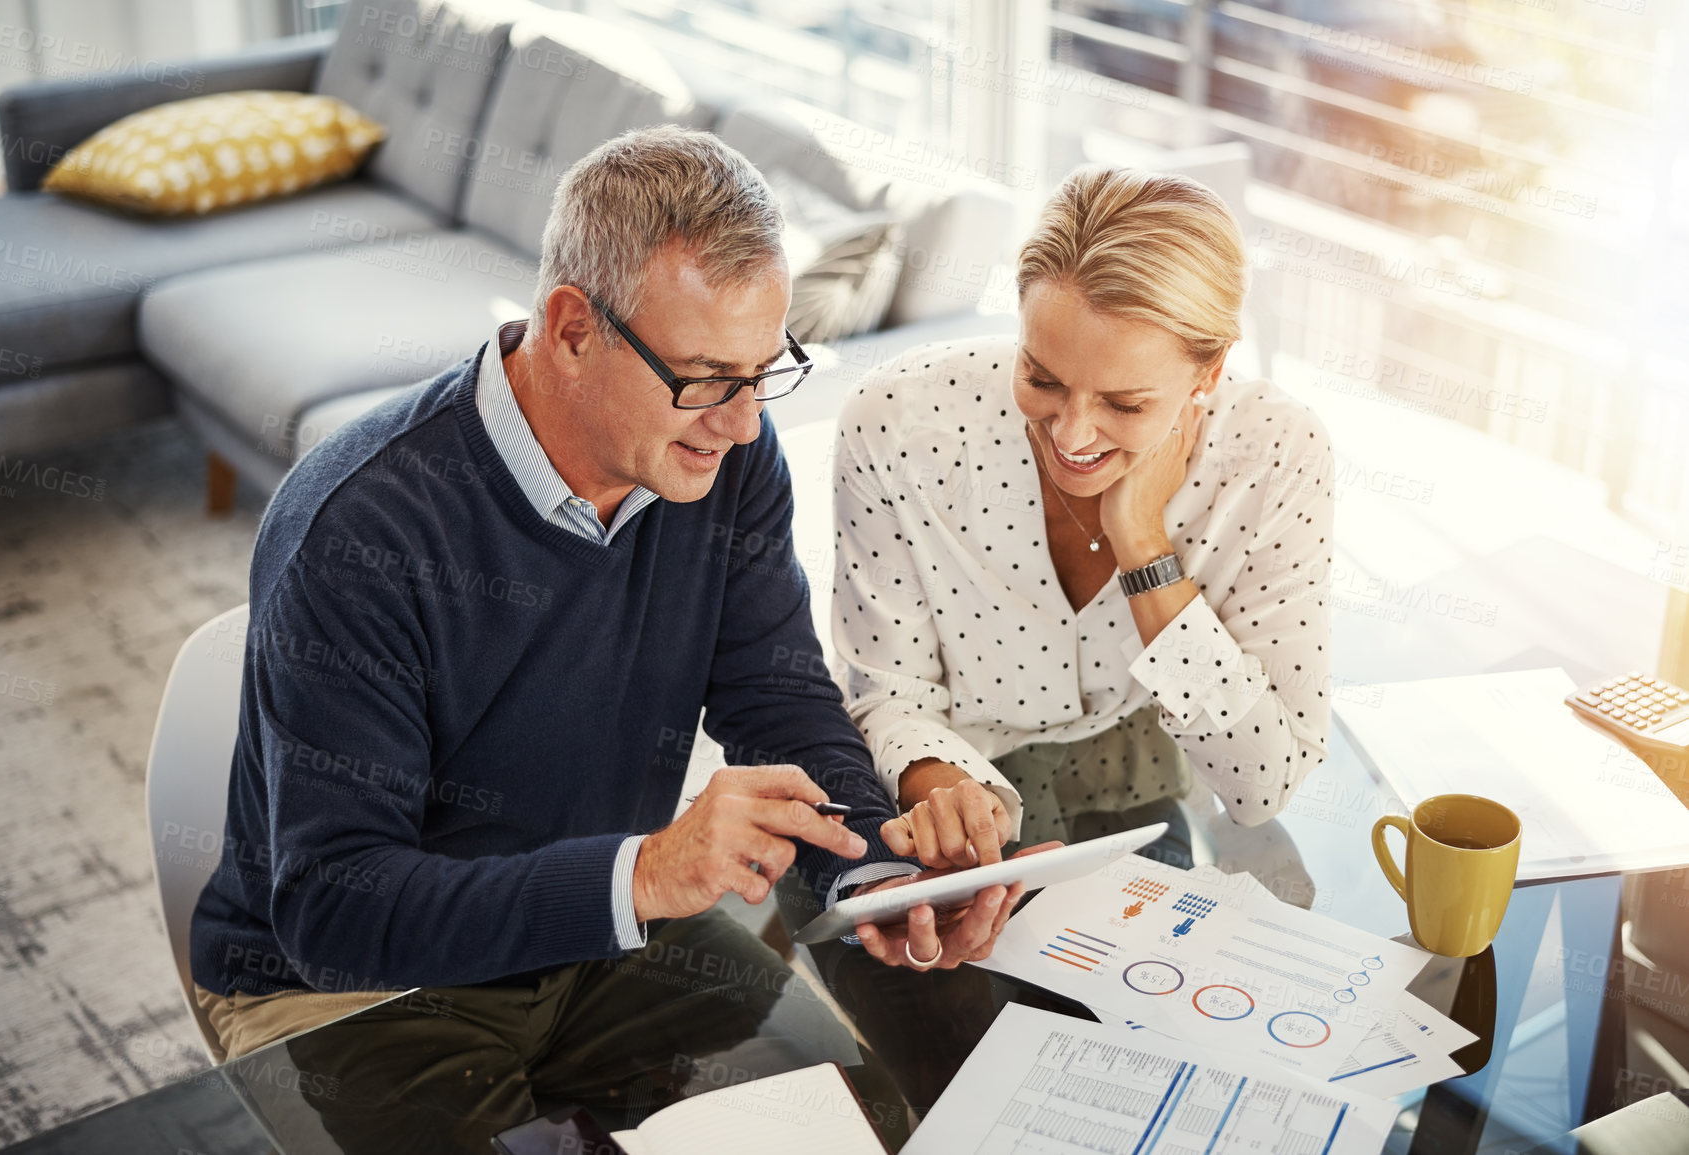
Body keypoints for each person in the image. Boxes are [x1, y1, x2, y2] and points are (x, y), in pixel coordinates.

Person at [186, 127, 1026, 1150]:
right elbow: (333, 913)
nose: (748, 423)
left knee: (857, 1127)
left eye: (767, 371)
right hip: (359, 988)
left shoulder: (719, 460)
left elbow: (776, 693)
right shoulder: (361, 530)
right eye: (710, 377)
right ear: (573, 327)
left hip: (608, 931)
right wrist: (645, 876)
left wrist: (870, 876)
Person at [832, 165, 1336, 870]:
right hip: (941, 781)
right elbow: (888, 692)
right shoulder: (896, 423)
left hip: (1137, 781)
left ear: (1210, 371)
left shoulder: (1275, 455)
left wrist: (1143, 548)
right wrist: (946, 794)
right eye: (1040, 377)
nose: (1070, 435)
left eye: (1124, 404)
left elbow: (1262, 783)